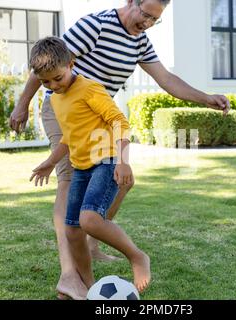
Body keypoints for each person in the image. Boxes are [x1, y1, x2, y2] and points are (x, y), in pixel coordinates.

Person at [9, 0, 230, 300]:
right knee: (69, 181)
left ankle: (94, 243)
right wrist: (22, 105)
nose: (148, 23)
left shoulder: (140, 41)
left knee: (120, 181)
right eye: (145, 14)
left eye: (155, 19)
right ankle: (70, 274)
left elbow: (166, 79)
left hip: (100, 118)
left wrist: (206, 99)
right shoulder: (95, 26)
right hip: (64, 110)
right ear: (131, 2)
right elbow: (47, 64)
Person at [29, 37, 151, 294]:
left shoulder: (89, 89)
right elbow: (69, 137)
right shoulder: (55, 98)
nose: (53, 85)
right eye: (45, 82)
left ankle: (137, 256)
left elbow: (119, 121)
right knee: (72, 231)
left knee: (90, 220)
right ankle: (88, 285)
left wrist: (123, 162)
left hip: (105, 162)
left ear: (71, 64)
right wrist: (50, 163)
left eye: (58, 78)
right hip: (81, 167)